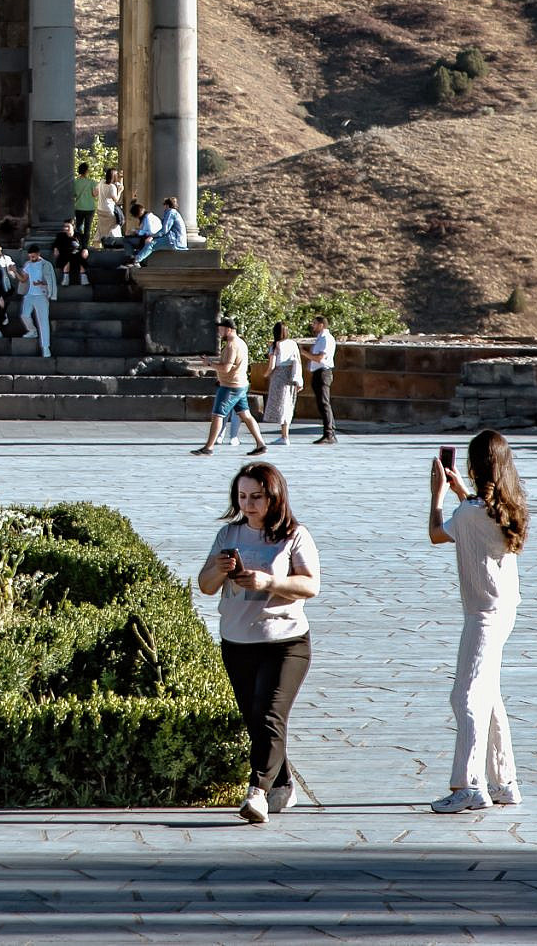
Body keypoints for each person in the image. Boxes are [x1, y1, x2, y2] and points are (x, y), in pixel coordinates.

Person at [198, 461, 322, 825]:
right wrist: (220, 569)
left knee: (269, 715)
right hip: (236, 641)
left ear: (274, 496)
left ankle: (258, 793)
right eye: (242, 497)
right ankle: (283, 783)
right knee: (256, 719)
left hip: (285, 642)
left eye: (256, 496)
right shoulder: (229, 536)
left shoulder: (294, 535)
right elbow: (205, 586)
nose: (248, 504)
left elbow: (311, 586)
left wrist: (268, 583)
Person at [427, 431, 528, 812]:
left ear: (473, 466)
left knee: (465, 695)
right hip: (505, 610)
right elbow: (474, 515)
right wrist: (458, 492)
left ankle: (469, 785)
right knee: (489, 695)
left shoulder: (469, 514)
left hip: (482, 616)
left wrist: (437, 493)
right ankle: (504, 781)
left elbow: (438, 534)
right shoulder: (508, 506)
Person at [193, 321, 255, 455]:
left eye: (221, 329)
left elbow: (226, 368)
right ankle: (261, 444)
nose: (219, 332)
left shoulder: (232, 346)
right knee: (246, 415)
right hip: (241, 383)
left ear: (228, 329)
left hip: (230, 386)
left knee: (217, 415)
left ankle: (209, 447)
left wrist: (210, 363)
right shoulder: (241, 343)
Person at [261, 319, 302, 449]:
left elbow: (272, 365)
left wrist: (265, 374)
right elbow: (298, 361)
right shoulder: (293, 344)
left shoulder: (275, 345)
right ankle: (285, 434)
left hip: (279, 375)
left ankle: (284, 436)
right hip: (290, 375)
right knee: (288, 404)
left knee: (280, 405)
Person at [306, 316, 340, 444]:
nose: (312, 326)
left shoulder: (326, 339)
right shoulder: (320, 338)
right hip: (318, 372)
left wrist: (304, 353)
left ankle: (329, 433)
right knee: (322, 404)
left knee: (324, 403)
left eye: (314, 323)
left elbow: (320, 357)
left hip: (323, 373)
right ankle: (330, 431)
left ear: (321, 325)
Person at [20, 244, 55, 356]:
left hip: (41, 295)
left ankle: (45, 347)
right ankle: (32, 331)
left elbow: (51, 281)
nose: (31, 259)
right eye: (30, 256)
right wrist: (14, 271)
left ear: (39, 254)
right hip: (30, 294)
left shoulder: (46, 265)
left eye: (33, 257)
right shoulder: (28, 264)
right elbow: (23, 279)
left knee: (43, 321)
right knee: (24, 315)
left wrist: (42, 283)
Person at [52, 219, 83, 293]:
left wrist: (85, 250)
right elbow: (55, 244)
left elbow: (83, 246)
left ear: (73, 226)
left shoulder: (78, 236)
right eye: (65, 226)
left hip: (76, 257)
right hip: (64, 257)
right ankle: (67, 276)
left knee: (76, 257)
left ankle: (80, 276)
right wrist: (55, 248)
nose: (66, 228)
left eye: (68, 226)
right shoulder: (61, 236)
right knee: (69, 258)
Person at [75, 167, 100, 251]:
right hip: (90, 208)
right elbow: (95, 194)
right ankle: (85, 246)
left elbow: (73, 194)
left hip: (78, 207)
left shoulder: (75, 182)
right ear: (86, 171)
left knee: (79, 227)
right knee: (87, 227)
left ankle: (79, 243)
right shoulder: (92, 182)